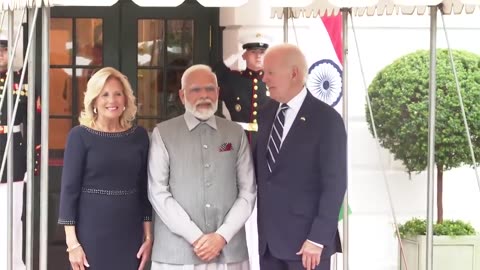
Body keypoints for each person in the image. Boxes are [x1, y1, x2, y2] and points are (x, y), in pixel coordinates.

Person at [148, 64, 256, 270]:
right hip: (176, 255)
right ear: (182, 95)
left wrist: (221, 236)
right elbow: (157, 192)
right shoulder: (163, 133)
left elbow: (248, 192)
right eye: (196, 89)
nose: (204, 95)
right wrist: (196, 237)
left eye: (210, 89)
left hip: (228, 252)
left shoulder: (235, 133)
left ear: (218, 93)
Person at [254, 44, 347, 270]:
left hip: (307, 248)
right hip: (269, 245)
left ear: (294, 73)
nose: (264, 78)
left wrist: (317, 238)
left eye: (270, 72)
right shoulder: (266, 114)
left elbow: (334, 185)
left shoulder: (326, 120)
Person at [58, 67, 152, 270]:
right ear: (94, 100)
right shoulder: (79, 136)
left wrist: (148, 236)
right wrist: (72, 243)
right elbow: (69, 192)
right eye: (105, 94)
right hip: (91, 234)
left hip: (130, 234)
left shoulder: (139, 137)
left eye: (118, 94)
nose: (112, 100)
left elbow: (145, 190)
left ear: (126, 99)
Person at [0, 33, 41, 270]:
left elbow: (34, 123)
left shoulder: (23, 81)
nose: (1, 54)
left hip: (13, 152)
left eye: (5, 49)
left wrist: (31, 159)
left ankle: (12, 264)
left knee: (12, 218)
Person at [214, 32, 272, 143]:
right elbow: (209, 81)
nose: (258, 56)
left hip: (267, 141)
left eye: (262, 52)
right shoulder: (233, 80)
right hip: (238, 140)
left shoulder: (274, 81)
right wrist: (227, 62)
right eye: (253, 52)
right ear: (244, 55)